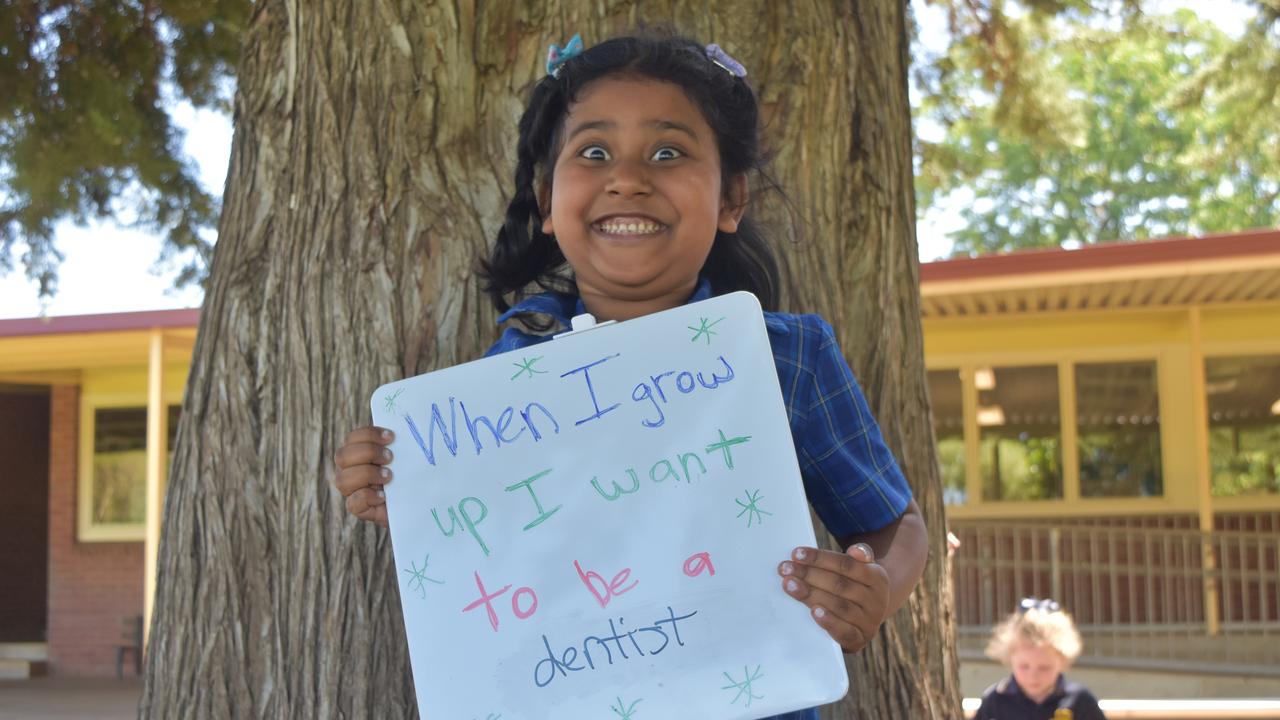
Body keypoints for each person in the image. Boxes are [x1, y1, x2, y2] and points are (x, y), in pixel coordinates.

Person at [332, 31, 928, 720]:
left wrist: (877, 585)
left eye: (668, 152)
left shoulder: (784, 359)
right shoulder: (505, 377)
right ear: (547, 200)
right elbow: (488, 539)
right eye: (593, 152)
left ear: (731, 198)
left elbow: (895, 523)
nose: (628, 177)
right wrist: (398, 490)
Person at [975, 598, 1107, 720]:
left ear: (1062, 660)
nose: (1033, 676)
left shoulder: (1080, 701)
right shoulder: (995, 700)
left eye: (1044, 668)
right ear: (1011, 657)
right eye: (1024, 666)